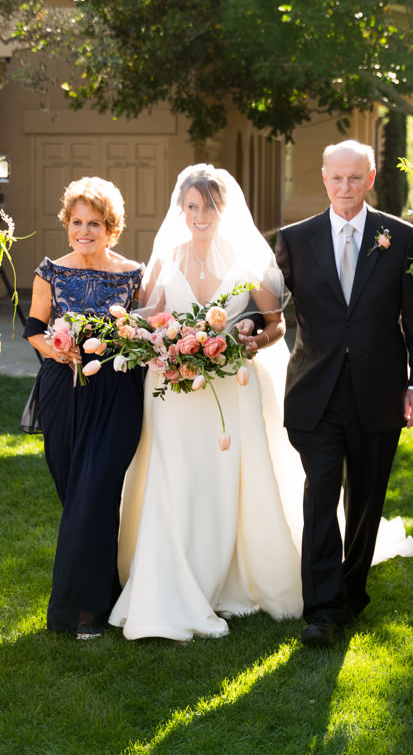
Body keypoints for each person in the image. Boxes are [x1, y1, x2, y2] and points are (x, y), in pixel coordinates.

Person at [110, 165, 305, 641]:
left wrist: (252, 340)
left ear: (224, 209)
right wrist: (163, 344)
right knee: (173, 476)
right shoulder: (165, 259)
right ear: (181, 209)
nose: (200, 215)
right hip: (173, 389)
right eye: (192, 206)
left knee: (225, 480)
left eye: (210, 207)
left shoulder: (247, 261)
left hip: (228, 387)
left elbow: (276, 324)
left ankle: (224, 573)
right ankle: (165, 577)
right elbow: (145, 320)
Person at [275, 140, 413, 646]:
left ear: (370, 177)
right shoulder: (294, 239)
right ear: (324, 178)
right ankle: (322, 609)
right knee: (321, 495)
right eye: (336, 178)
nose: (344, 187)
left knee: (366, 498)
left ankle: (351, 593)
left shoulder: (403, 237)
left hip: (379, 390)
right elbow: (268, 304)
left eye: (354, 177)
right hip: (315, 391)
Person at [23, 176, 144, 640]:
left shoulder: (133, 275)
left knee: (96, 492)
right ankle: (107, 590)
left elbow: (144, 329)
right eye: (76, 222)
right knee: (75, 496)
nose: (84, 231)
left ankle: (80, 612)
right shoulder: (50, 271)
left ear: (111, 228)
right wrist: (56, 349)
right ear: (67, 225)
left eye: (94, 223)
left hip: (117, 392)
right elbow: (34, 328)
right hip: (64, 390)